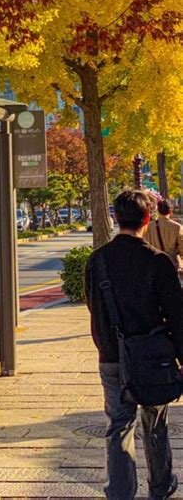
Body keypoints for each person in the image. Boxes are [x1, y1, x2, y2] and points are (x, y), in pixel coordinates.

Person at [85, 189, 183, 500]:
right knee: (154, 422)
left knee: (119, 425)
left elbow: (93, 307)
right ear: (146, 218)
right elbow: (177, 316)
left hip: (112, 356)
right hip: (154, 358)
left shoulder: (96, 260)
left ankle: (121, 492)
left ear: (115, 218)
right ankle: (160, 484)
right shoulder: (158, 262)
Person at [146, 200, 183, 271]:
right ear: (170, 211)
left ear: (158, 211)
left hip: (154, 264)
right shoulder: (177, 227)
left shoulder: (149, 226)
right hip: (172, 264)